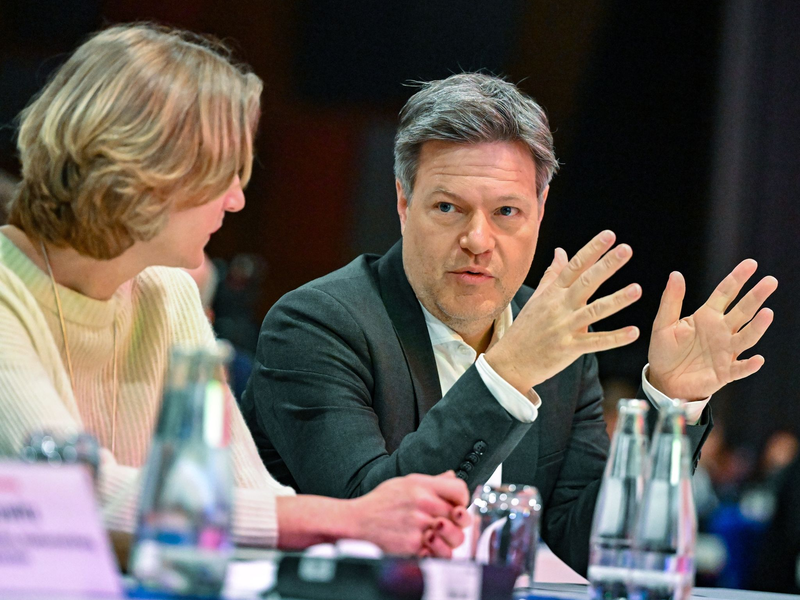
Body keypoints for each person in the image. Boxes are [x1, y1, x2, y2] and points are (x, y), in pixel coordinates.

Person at [241, 73, 777, 574]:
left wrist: (671, 409)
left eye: (506, 212)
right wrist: (508, 373)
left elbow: (599, 544)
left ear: (541, 210)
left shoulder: (557, 339)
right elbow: (368, 522)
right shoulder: (316, 325)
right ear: (404, 203)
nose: (478, 239)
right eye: (449, 207)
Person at [0, 24, 471, 563]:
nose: (235, 201)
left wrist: (369, 536)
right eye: (224, 173)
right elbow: (66, 495)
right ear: (145, 171)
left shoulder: (167, 291)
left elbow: (248, 494)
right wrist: (348, 519)